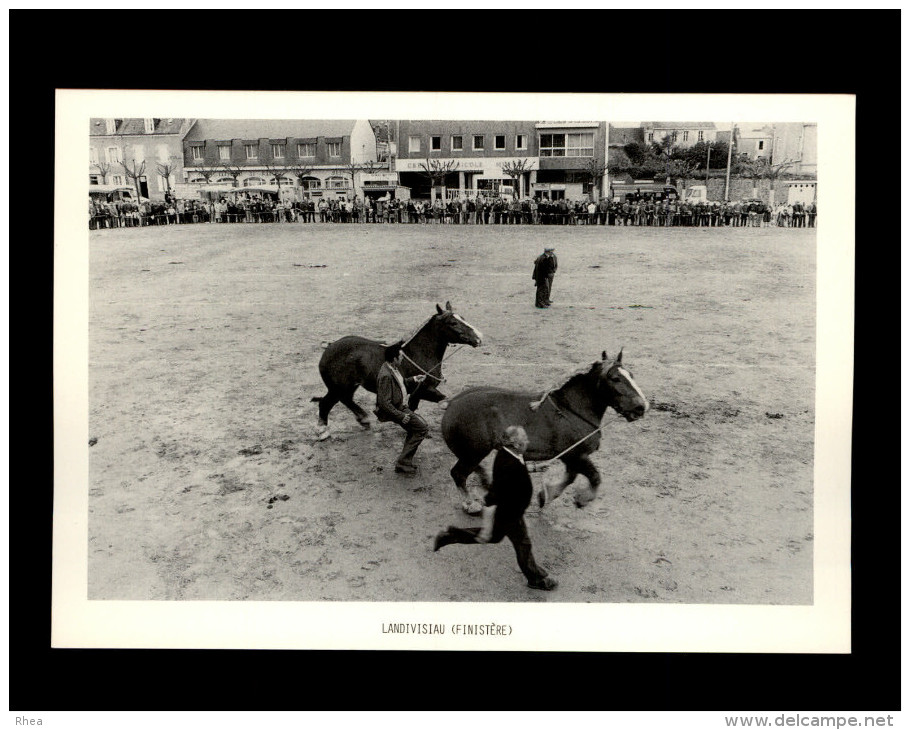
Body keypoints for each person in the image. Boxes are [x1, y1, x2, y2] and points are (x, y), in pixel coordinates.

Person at [433, 426, 557, 591]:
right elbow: (491, 500)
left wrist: (535, 468)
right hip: (510, 513)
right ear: (516, 444)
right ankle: (536, 579)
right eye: (524, 439)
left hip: (510, 511)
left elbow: (518, 468)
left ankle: (450, 535)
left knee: (495, 537)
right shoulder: (508, 463)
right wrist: (486, 527)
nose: (527, 441)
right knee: (522, 543)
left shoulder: (509, 454)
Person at [374, 342, 429, 476]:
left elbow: (400, 384)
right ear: (394, 359)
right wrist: (400, 416)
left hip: (401, 407)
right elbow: (384, 403)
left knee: (416, 429)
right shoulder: (386, 375)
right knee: (422, 429)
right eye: (401, 356)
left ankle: (404, 461)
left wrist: (414, 379)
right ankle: (403, 462)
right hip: (398, 410)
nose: (403, 358)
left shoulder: (392, 368)